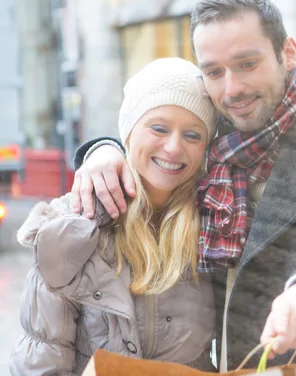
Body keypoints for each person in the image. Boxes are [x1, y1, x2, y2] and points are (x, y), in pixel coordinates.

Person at [71, 0, 296, 370]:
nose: (232, 89)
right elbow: (162, 143)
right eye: (214, 72)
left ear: (288, 54)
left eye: (247, 64)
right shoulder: (219, 148)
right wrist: (105, 150)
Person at [10, 58, 218, 375]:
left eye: (192, 135)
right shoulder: (77, 224)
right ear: (129, 132)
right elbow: (41, 359)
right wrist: (103, 148)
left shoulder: (218, 222)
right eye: (159, 128)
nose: (174, 147)